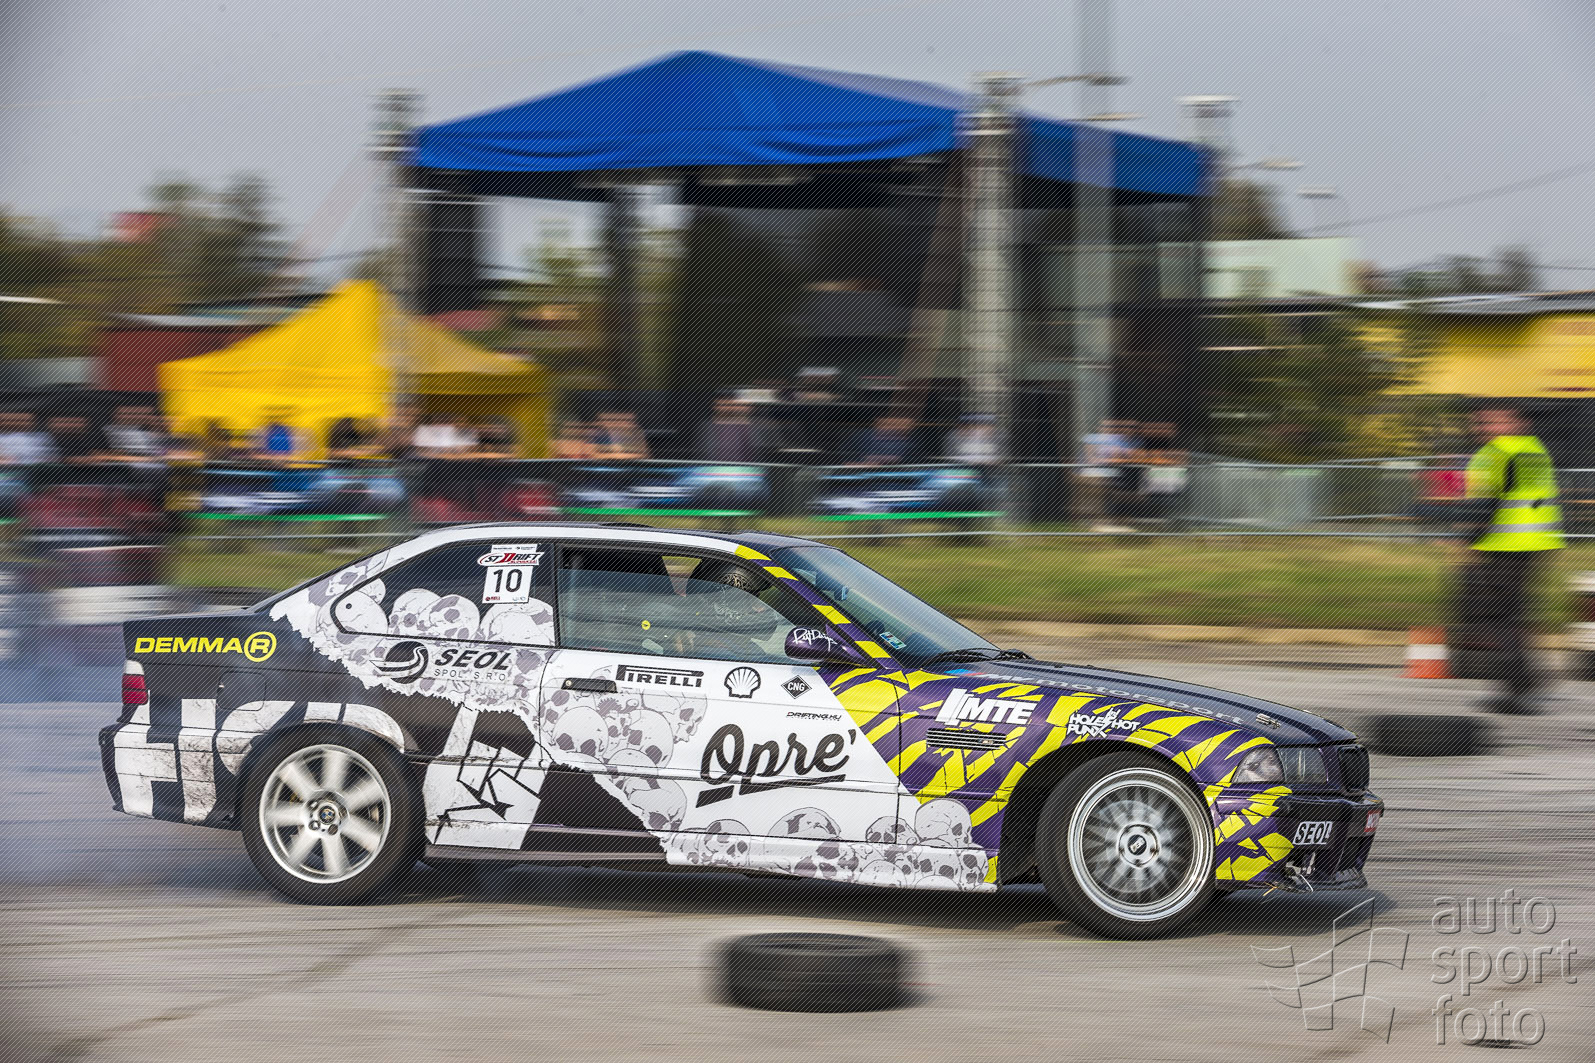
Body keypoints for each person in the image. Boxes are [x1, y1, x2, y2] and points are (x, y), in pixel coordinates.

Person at [1452, 404, 1565, 714]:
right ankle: (1526, 679)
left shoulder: (1494, 453)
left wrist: (1467, 542)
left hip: (1504, 545)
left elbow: (1484, 504)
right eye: (1481, 422)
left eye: (1493, 421)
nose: (1484, 428)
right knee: (1512, 614)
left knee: (1498, 616)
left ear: (1518, 422)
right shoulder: (1535, 449)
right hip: (1537, 542)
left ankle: (1520, 686)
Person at [696, 397, 769, 464]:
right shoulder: (706, 427)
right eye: (723, 405)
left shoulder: (759, 426)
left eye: (739, 404)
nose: (731, 408)